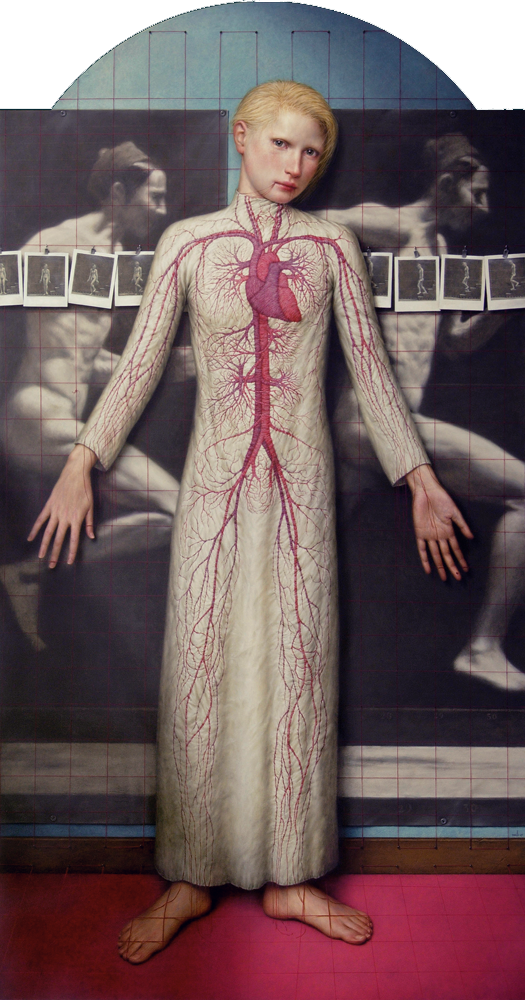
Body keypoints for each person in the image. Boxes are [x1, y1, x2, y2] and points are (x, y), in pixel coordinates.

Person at [29, 81, 471, 963]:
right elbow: (138, 366)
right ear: (241, 138)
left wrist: (419, 478)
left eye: (310, 152)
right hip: (213, 489)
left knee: (299, 669)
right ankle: (190, 875)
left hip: (301, 492)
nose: (294, 166)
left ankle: (292, 876)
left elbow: (373, 377)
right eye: (278, 145)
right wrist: (81, 464)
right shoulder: (189, 244)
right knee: (197, 669)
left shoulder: (332, 247)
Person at [319, 134, 525, 691]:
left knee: (305, 556)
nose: (484, 208)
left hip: (376, 435)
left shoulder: (442, 254)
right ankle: (482, 647)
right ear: (446, 183)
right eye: (477, 194)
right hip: (375, 424)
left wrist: (507, 304)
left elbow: (454, 344)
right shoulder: (393, 225)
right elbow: (303, 228)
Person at [1, 142, 185, 649]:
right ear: (119, 193)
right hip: (36, 416)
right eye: (155, 197)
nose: (162, 210)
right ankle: (33, 571)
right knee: (179, 507)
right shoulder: (58, 242)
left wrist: (164, 367)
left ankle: (32, 571)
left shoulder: (116, 261)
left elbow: (85, 358)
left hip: (66, 425)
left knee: (174, 513)